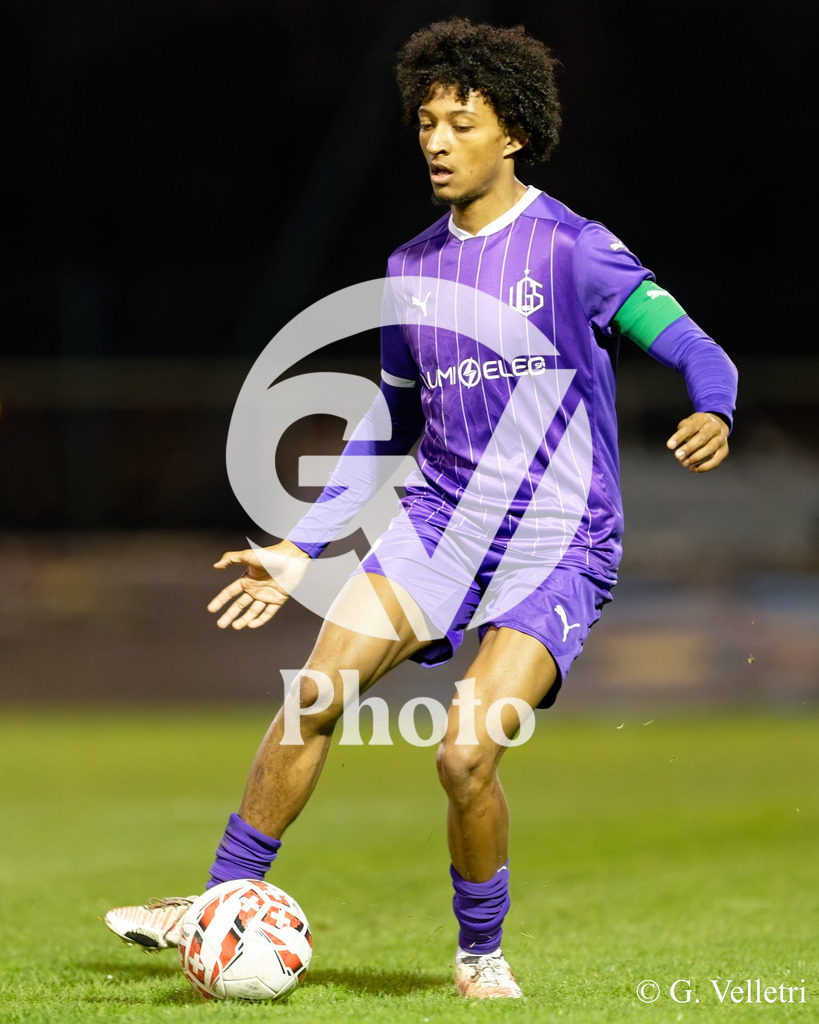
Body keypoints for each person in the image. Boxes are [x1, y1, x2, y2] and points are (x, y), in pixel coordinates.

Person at [104, 17, 737, 999]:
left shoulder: (575, 251)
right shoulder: (412, 271)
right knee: (314, 695)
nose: (437, 142)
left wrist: (715, 406)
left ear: (513, 132)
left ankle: (480, 953)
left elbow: (697, 346)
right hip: (441, 523)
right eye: (428, 124)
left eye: (461, 122)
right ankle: (221, 902)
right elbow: (389, 423)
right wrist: (297, 544)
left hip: (555, 543)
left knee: (464, 753)